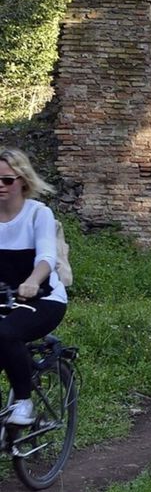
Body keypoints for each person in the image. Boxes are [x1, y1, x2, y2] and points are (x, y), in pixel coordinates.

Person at [0, 148, 67, 428]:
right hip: (4, 297)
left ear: (23, 181)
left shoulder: (38, 214)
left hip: (43, 298)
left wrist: (32, 280)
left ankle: (24, 402)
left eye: (7, 180)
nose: (0, 187)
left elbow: (47, 257)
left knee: (4, 333)